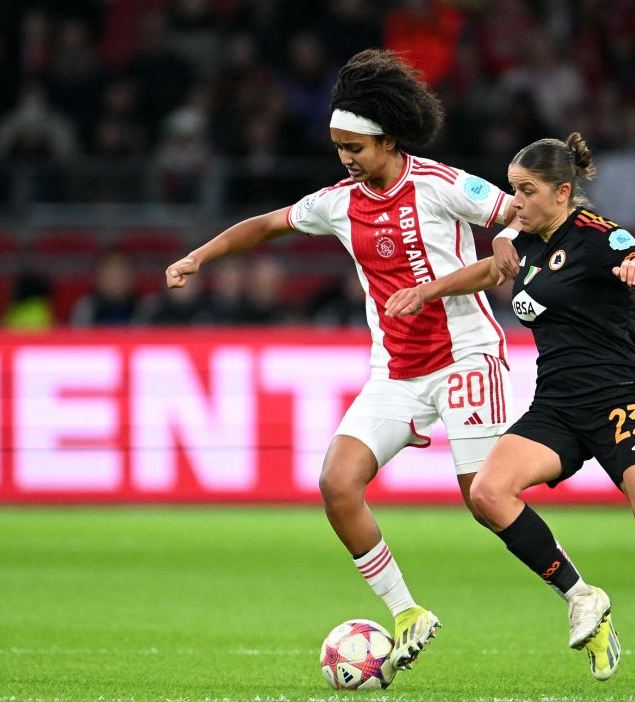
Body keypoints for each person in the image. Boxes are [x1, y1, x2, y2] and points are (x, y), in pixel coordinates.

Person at [164, 49, 520, 674]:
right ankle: (408, 611)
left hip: (466, 353)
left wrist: (503, 236)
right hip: (396, 372)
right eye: (337, 147)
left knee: (485, 499)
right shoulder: (338, 202)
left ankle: (577, 592)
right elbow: (268, 224)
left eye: (354, 146)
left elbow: (515, 218)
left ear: (387, 139)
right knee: (336, 484)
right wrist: (200, 256)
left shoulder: (442, 184)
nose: (345, 158)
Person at [385, 133, 635, 693]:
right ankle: (583, 596)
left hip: (622, 400)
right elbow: (487, 274)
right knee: (487, 493)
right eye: (512, 190)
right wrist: (426, 292)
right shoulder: (524, 239)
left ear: (562, 191)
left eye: (526, 191)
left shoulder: (597, 235)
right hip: (556, 402)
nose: (515, 201)